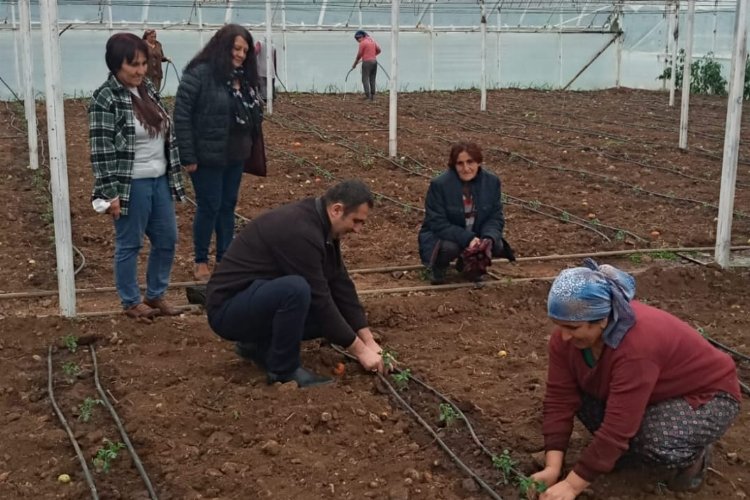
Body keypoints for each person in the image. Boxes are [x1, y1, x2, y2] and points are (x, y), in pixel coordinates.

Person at [533, 259, 741, 499]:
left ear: (602, 319)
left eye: (573, 328)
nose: (564, 336)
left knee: (654, 441)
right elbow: (560, 398)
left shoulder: (636, 346)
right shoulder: (566, 340)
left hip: (705, 396)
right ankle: (618, 453)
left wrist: (572, 485)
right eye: (559, 326)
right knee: (581, 396)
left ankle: (695, 455)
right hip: (649, 393)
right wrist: (552, 468)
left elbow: (619, 425)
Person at [205, 180, 386, 388]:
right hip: (227, 310)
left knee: (331, 315)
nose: (358, 229)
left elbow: (339, 282)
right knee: (296, 290)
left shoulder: (322, 225)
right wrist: (361, 352)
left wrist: (368, 340)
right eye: (356, 221)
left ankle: (257, 346)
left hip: (252, 299)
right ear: (337, 210)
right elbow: (320, 298)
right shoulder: (300, 231)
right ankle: (283, 370)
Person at [89, 33, 185, 321]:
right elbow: (101, 150)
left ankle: (155, 295)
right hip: (131, 183)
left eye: (144, 63)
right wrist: (110, 193)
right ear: (116, 64)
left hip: (159, 180)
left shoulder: (147, 91)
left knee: (167, 239)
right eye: (134, 65)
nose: (141, 70)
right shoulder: (105, 99)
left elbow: (165, 132)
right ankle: (131, 301)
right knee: (130, 243)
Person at [174, 24, 263, 281]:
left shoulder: (243, 78)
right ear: (222, 46)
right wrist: (188, 156)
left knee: (227, 206)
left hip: (235, 155)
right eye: (236, 48)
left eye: (245, 51)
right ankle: (201, 260)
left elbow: (253, 114)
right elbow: (182, 115)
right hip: (206, 157)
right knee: (209, 206)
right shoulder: (199, 74)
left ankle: (225, 258)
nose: (240, 55)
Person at [417, 141, 513, 285]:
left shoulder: (491, 182)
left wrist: (487, 238)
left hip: (476, 234)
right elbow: (437, 223)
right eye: (460, 163)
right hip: (446, 237)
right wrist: (468, 238)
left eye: (470, 162)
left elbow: (495, 217)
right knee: (449, 248)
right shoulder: (440, 185)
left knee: (496, 244)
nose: (466, 168)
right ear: (454, 165)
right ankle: (438, 267)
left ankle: (470, 266)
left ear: (479, 162)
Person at [351, 30, 381, 101]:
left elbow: (359, 55)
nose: (357, 41)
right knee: (372, 78)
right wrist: (372, 55)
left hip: (367, 63)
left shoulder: (363, 43)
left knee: (365, 79)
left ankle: (368, 96)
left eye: (357, 39)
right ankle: (373, 96)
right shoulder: (372, 40)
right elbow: (379, 50)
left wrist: (354, 64)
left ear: (360, 37)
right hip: (374, 62)